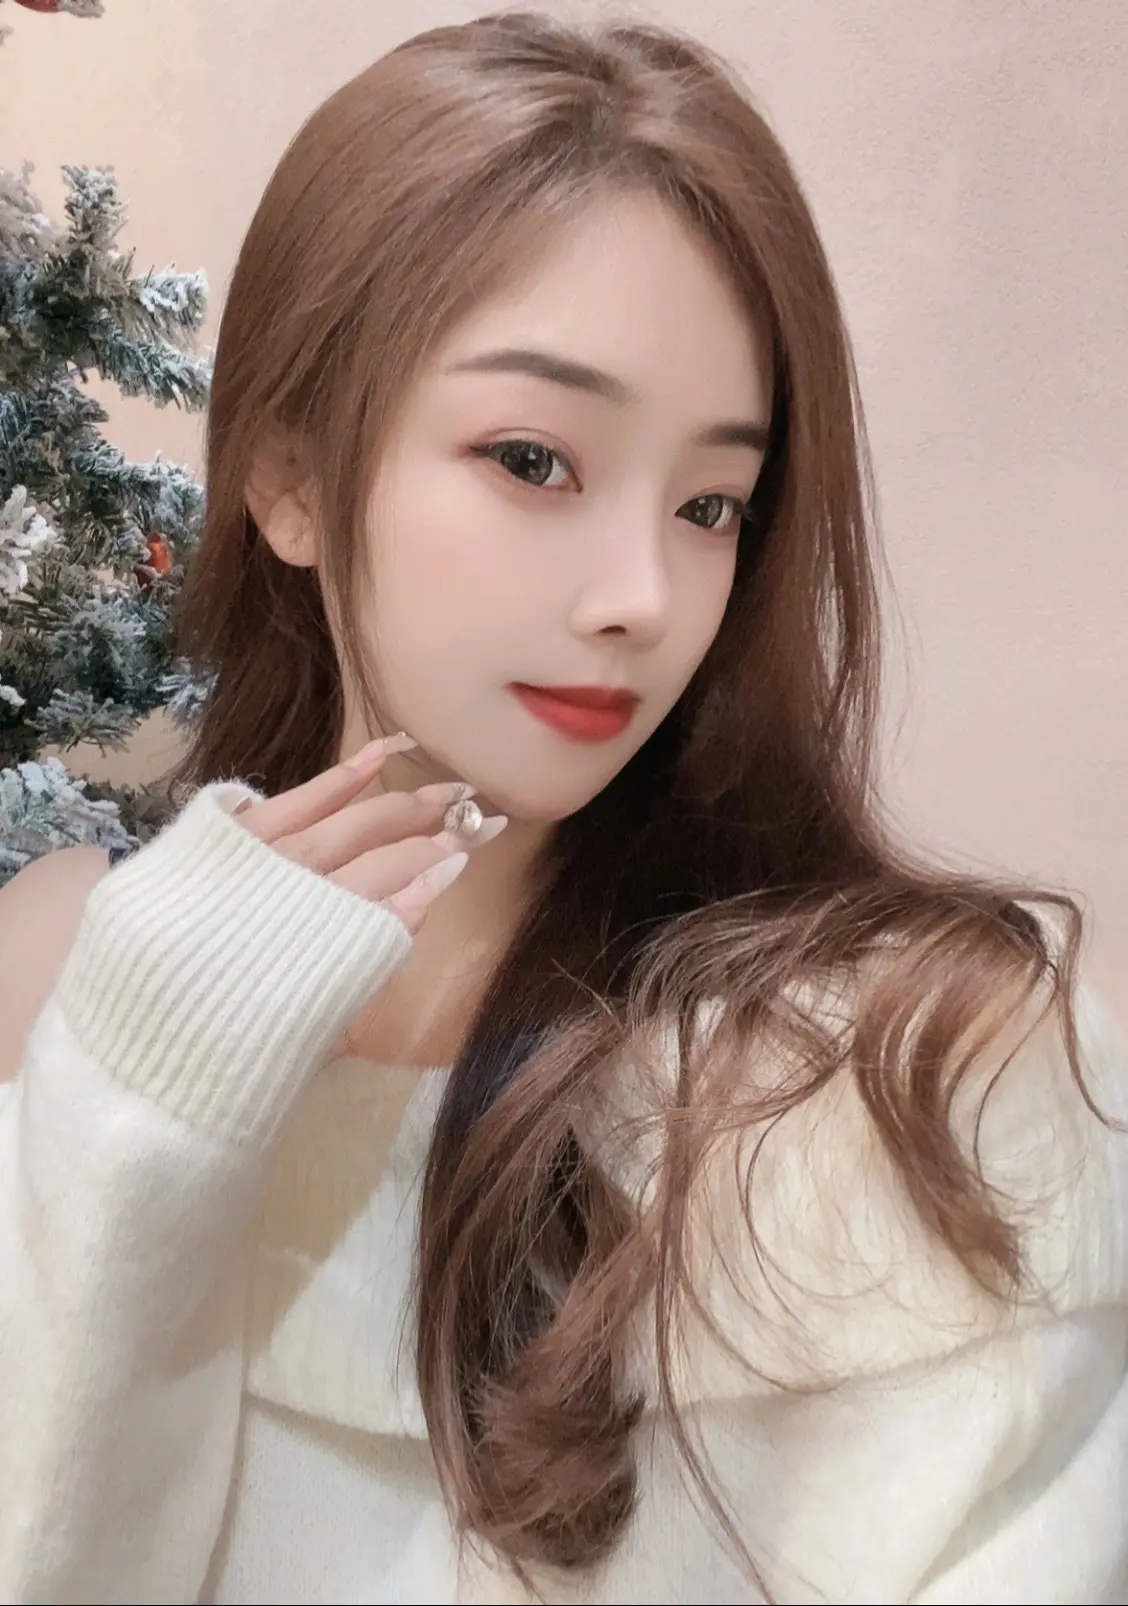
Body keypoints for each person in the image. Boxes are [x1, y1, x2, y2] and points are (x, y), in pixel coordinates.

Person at [1, 10, 1125, 1604]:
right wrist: (141, 1107)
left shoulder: (912, 1073)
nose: (643, 596)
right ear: (293, 480)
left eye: (712, 501)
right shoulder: (67, 978)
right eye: (534, 460)